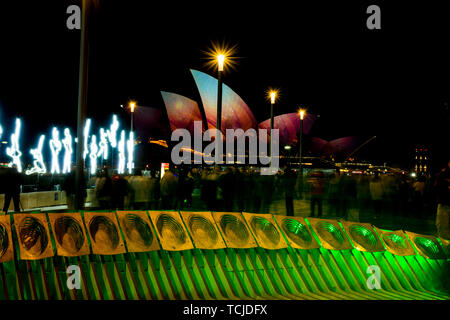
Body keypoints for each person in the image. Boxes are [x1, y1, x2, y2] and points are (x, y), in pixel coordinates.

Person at [435, 161, 450, 240]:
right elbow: (438, 186)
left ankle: (445, 243)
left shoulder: (443, 174)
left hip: (444, 203)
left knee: (442, 225)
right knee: (442, 226)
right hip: (444, 203)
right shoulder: (443, 174)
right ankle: (445, 243)